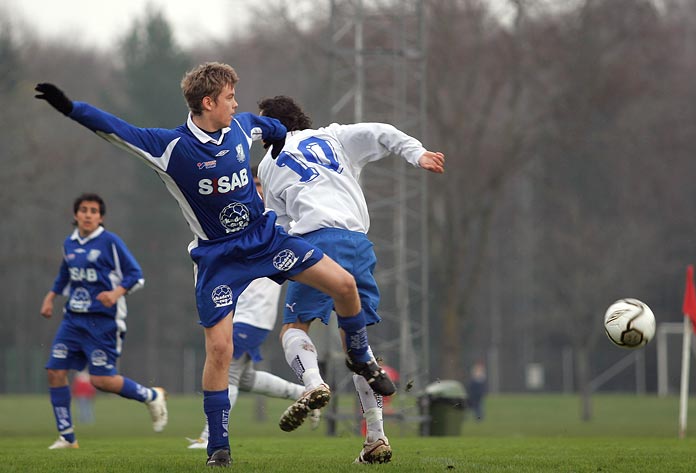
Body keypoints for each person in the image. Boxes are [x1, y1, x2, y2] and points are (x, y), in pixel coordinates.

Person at [35, 62, 395, 467]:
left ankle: (360, 357)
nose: (235, 103)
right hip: (218, 259)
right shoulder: (170, 147)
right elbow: (113, 128)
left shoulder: (242, 127)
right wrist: (69, 107)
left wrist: (277, 147)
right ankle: (218, 446)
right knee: (220, 350)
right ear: (208, 102)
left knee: (344, 286)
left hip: (266, 240)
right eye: (228, 97)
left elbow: (273, 130)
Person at [257, 95, 445, 464]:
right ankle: (376, 437)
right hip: (359, 244)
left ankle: (313, 385)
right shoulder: (334, 137)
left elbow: (276, 224)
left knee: (294, 327)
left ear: (270, 129)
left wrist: (275, 266)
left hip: (314, 243)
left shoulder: (268, 163)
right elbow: (383, 131)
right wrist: (417, 154)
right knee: (356, 346)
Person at [186, 171, 320, 450]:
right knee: (243, 377)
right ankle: (305, 394)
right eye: (251, 186)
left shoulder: (271, 221)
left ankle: (211, 436)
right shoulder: (232, 218)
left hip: (254, 315)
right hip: (232, 311)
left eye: (259, 186)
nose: (255, 191)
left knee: (229, 371)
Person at [40, 193, 168, 450]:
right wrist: (50, 297)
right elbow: (65, 275)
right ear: (75, 215)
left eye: (94, 211)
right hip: (73, 319)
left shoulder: (110, 242)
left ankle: (152, 395)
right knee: (55, 371)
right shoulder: (69, 244)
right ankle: (67, 437)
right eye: (83, 210)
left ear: (101, 217)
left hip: (104, 322)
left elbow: (136, 275)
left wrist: (115, 293)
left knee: (101, 380)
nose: (88, 214)